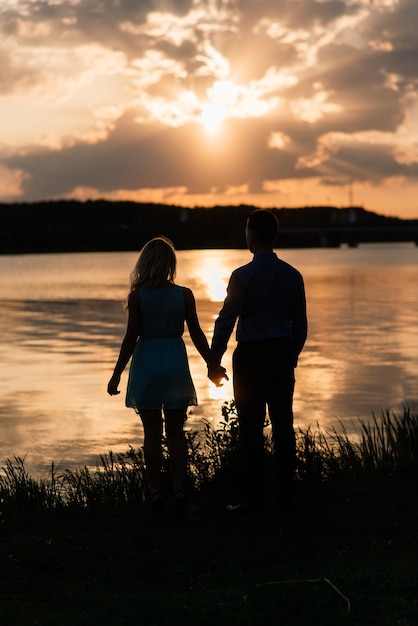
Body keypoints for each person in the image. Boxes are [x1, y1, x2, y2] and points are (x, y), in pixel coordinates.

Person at [107, 236, 226, 517]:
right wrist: (212, 365)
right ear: (170, 264)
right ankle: (180, 490)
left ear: (144, 264)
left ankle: (157, 493)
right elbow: (196, 333)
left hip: (147, 363)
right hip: (174, 362)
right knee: (176, 432)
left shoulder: (137, 297)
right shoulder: (184, 294)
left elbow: (130, 338)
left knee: (151, 433)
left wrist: (116, 375)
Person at [208, 209, 307, 513]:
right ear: (274, 236)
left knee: (250, 431)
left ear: (250, 234)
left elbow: (225, 321)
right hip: (280, 354)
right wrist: (291, 356)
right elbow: (300, 326)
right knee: (283, 426)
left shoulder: (242, 276)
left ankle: (253, 501)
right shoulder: (292, 275)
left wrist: (214, 362)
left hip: (249, 359)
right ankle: (286, 497)